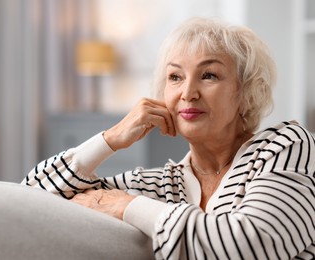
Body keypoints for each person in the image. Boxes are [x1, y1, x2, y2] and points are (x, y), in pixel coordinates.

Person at [22, 17, 315, 259]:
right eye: (175, 77)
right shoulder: (159, 184)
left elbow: (256, 245)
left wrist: (128, 207)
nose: (188, 93)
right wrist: (110, 139)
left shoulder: (287, 146)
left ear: (247, 94)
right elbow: (27, 205)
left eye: (209, 75)